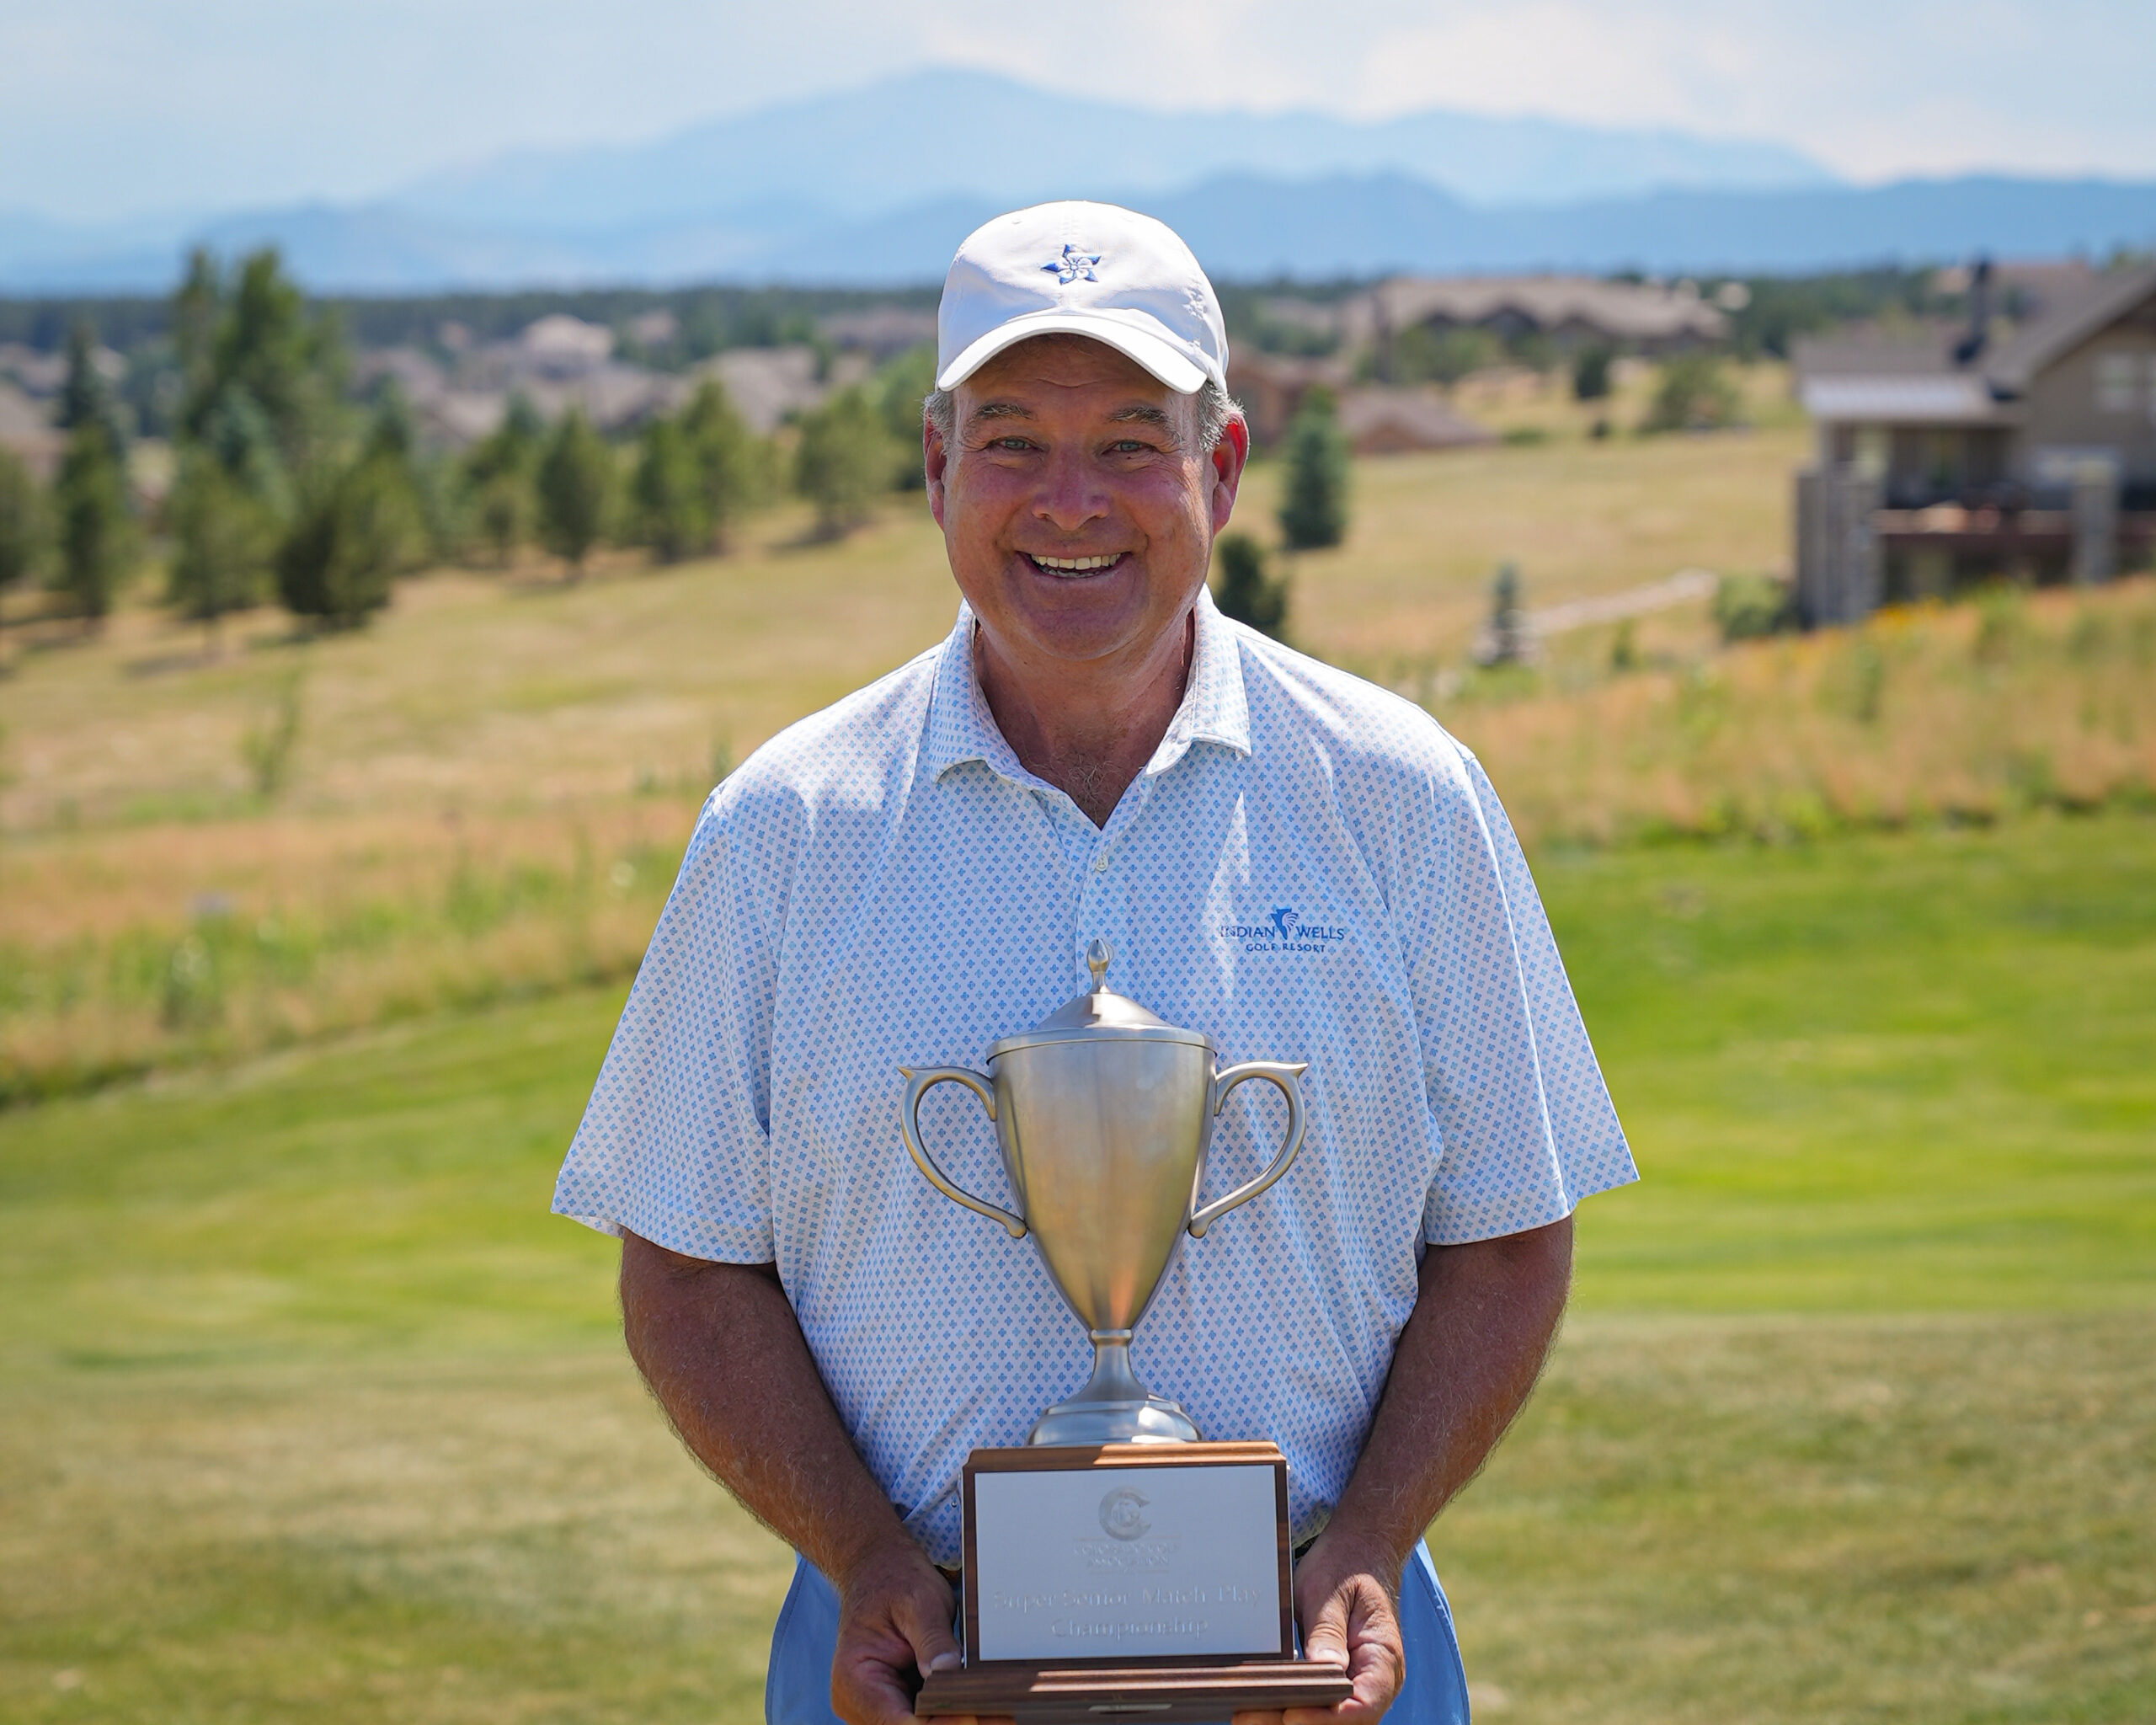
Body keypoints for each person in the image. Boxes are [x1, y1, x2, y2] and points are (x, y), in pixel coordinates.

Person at [552, 200, 1636, 1725]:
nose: (1071, 503)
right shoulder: (783, 828)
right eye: (1011, 442)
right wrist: (861, 1553)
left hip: (1317, 1654)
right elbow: (683, 1262)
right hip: (915, 1657)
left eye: (1132, 442)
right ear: (938, 469)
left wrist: (1376, 1538)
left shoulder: (1403, 797)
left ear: (1223, 468)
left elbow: (1510, 1231)